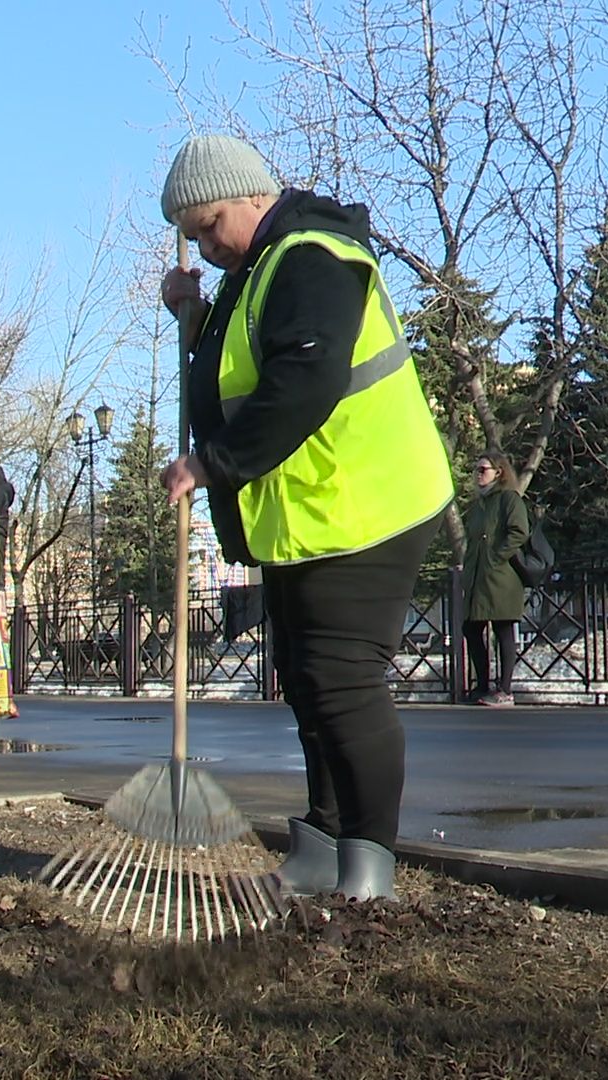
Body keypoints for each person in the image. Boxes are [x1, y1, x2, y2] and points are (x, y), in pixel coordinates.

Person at [157, 134, 454, 900]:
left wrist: (213, 464)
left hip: (367, 502)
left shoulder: (313, 256)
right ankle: (323, 845)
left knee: (342, 682)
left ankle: (368, 867)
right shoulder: (257, 271)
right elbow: (235, 376)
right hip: (309, 514)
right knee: (305, 679)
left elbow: (304, 378)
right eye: (192, 236)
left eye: (209, 225)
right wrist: (194, 319)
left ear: (251, 195)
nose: (206, 246)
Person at [461, 451, 531, 708]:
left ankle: (505, 689)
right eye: (476, 470)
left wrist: (495, 557)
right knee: (471, 628)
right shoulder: (478, 506)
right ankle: (482, 685)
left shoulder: (509, 499)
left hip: (502, 577)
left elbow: (519, 532)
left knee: (503, 628)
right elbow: (472, 540)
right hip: (478, 577)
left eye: (483, 470)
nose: (478, 475)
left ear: (498, 472)